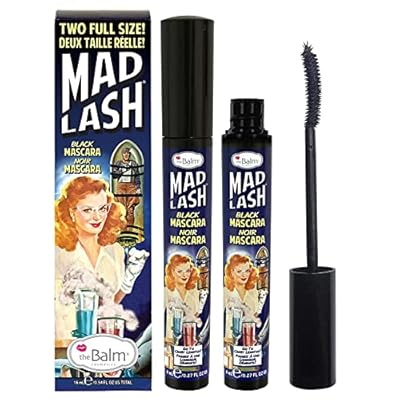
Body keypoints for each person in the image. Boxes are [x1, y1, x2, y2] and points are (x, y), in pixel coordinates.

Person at [55, 176, 148, 344]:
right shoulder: (57, 252)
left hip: (103, 345)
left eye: (103, 208)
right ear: (71, 211)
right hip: (65, 344)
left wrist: (128, 281)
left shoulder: (115, 250)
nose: (97, 217)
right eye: (88, 210)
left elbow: (107, 305)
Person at [164, 254, 201, 343]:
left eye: (188, 271)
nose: (184, 275)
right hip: (169, 342)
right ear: (172, 272)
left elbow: (196, 314)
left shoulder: (194, 292)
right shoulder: (166, 292)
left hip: (190, 340)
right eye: (180, 271)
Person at [223, 253, 259, 344]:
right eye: (239, 271)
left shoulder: (253, 291)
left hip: (250, 340)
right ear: (232, 272)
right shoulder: (226, 291)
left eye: (247, 271)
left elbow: (256, 314)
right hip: (230, 341)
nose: (244, 275)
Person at [112, 147, 141, 228]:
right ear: (122, 154)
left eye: (127, 153)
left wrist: (138, 187)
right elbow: (114, 175)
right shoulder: (118, 163)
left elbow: (137, 176)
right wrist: (122, 170)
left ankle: (130, 229)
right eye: (124, 153)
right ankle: (122, 229)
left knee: (130, 209)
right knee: (122, 208)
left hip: (131, 186)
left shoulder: (133, 164)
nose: (126, 155)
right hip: (121, 187)